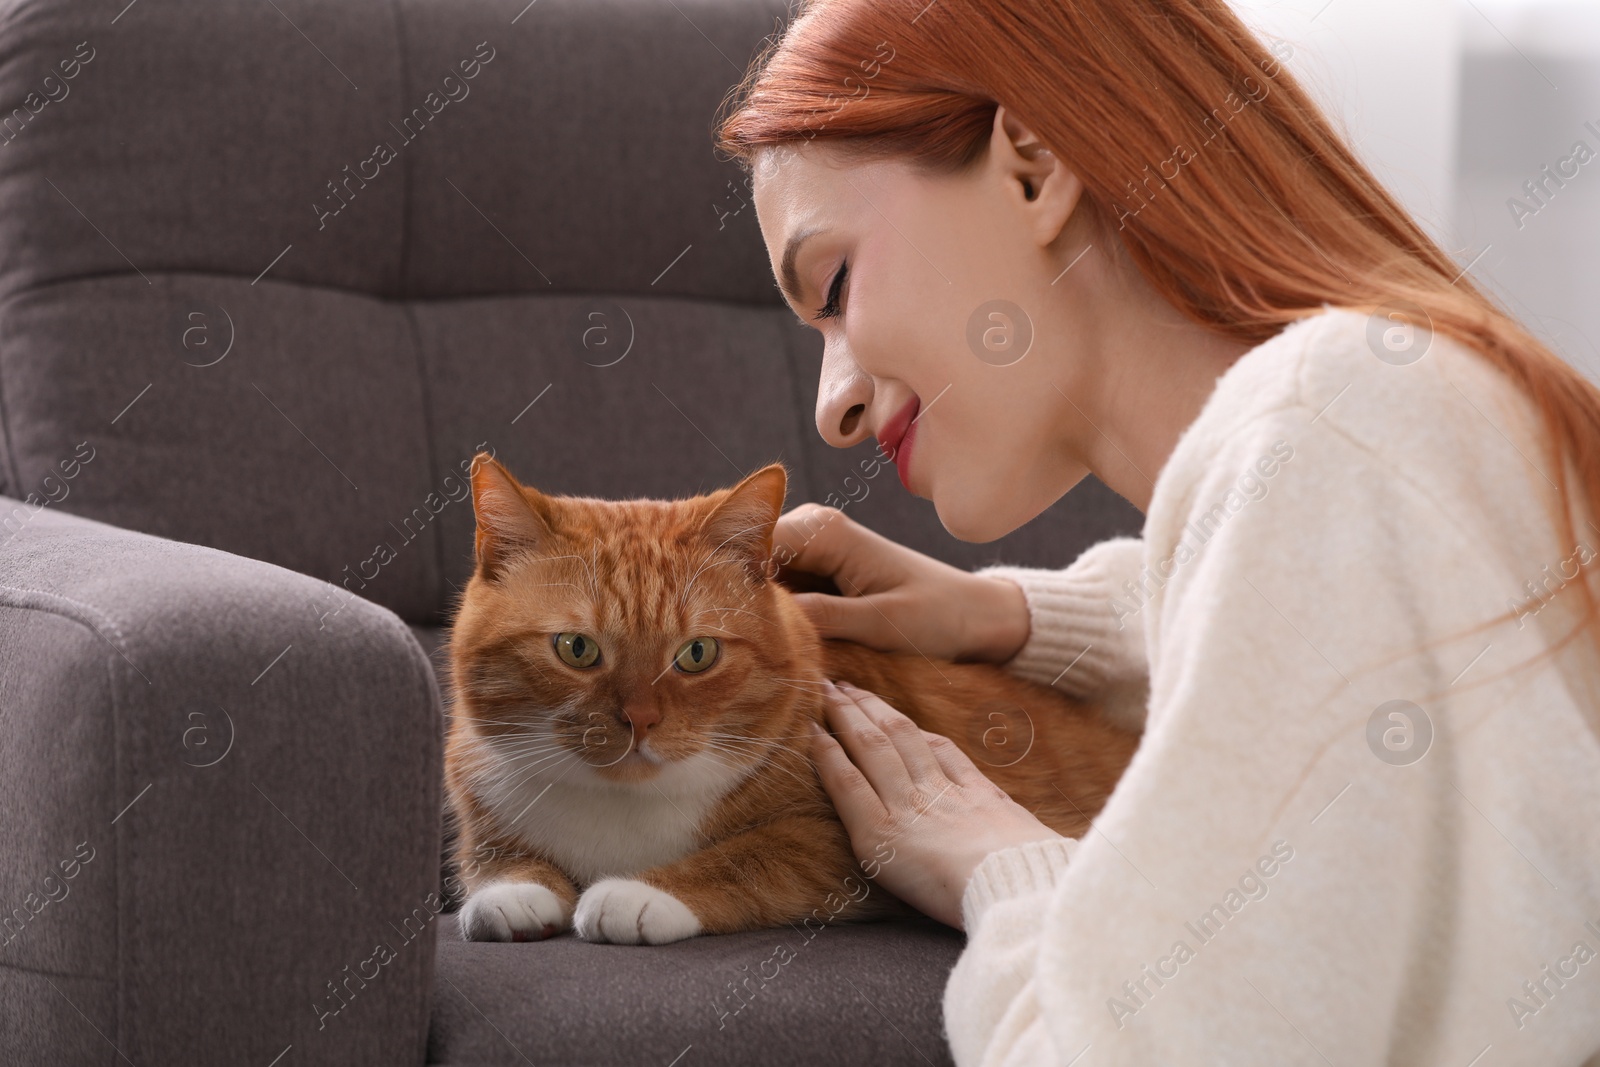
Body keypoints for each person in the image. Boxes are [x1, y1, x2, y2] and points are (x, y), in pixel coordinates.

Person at [714, 0, 1600, 1063]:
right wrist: (1005, 615)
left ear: (1033, 165)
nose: (831, 407)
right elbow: (1346, 637)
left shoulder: (1333, 423)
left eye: (836, 283)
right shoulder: (1387, 414)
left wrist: (1004, 866)